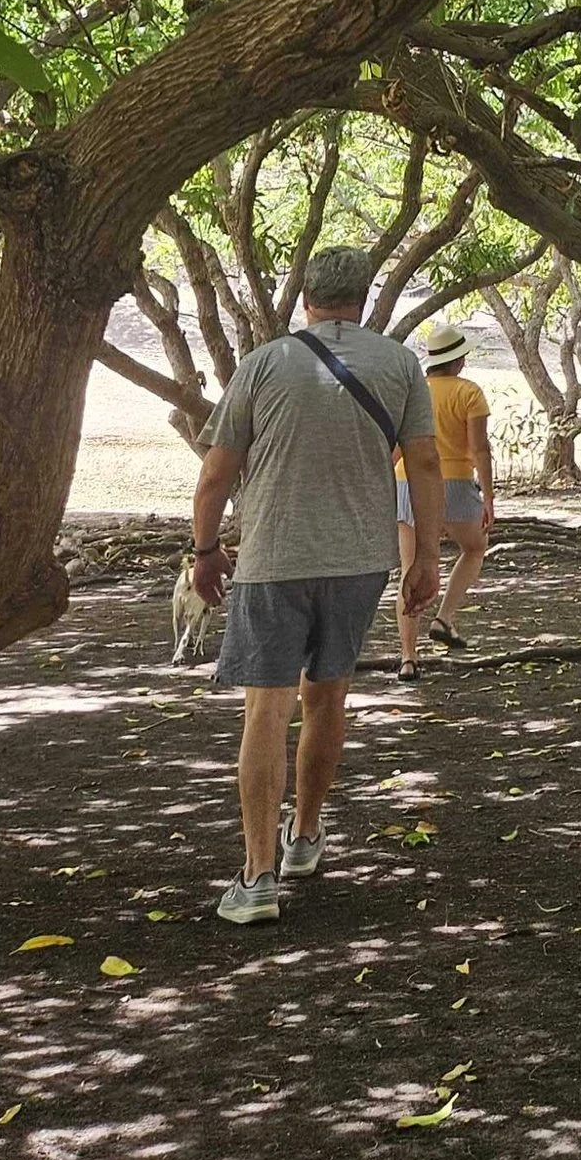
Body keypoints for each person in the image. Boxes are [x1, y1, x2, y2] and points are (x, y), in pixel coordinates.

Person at [187, 243, 440, 926]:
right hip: (360, 558)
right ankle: (304, 837)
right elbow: (423, 460)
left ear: (306, 298)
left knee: (265, 709)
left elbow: (216, 474)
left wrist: (204, 549)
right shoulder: (400, 364)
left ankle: (257, 876)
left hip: (274, 557)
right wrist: (428, 558)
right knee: (328, 698)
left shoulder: (265, 362)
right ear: (363, 298)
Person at [395, 314, 495, 675]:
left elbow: (395, 445)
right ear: (458, 360)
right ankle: (445, 617)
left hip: (406, 482)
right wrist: (488, 497)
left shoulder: (413, 390)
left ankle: (408, 658)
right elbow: (480, 448)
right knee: (475, 547)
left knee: (409, 569)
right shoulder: (469, 392)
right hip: (452, 480)